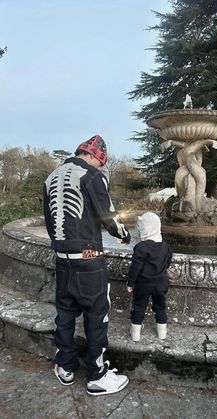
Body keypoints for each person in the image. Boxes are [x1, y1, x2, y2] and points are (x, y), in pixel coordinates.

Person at [43, 134, 131, 395]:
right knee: (96, 315)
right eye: (101, 163)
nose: (100, 167)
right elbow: (109, 217)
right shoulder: (92, 176)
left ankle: (65, 366)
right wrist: (124, 235)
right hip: (89, 262)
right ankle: (97, 376)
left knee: (65, 314)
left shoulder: (50, 178)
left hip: (62, 260)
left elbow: (49, 220)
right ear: (95, 156)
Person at [127, 212, 172, 342]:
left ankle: (135, 333)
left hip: (144, 283)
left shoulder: (141, 247)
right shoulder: (166, 247)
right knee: (160, 306)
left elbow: (135, 268)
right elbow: (167, 263)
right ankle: (162, 332)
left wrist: (130, 283)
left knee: (139, 305)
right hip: (161, 282)